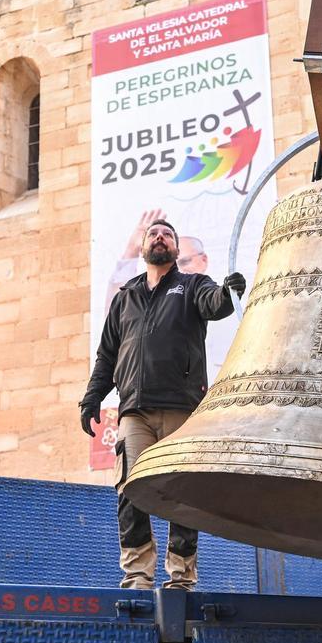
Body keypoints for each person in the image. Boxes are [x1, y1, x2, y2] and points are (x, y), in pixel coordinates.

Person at [79, 218, 245, 590]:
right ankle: (137, 573)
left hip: (181, 410)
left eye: (167, 234)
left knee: (182, 492)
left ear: (175, 249)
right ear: (144, 246)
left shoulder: (191, 286)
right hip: (134, 411)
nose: (160, 237)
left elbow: (215, 305)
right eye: (154, 233)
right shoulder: (126, 297)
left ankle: (182, 576)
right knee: (130, 489)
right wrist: (91, 398)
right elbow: (107, 357)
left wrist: (228, 293)